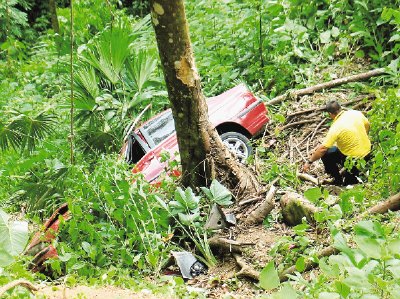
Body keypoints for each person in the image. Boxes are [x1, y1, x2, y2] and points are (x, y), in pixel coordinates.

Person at [302, 100, 371, 186]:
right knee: (330, 152)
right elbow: (367, 125)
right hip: (367, 152)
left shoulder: (336, 127)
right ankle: (344, 176)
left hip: (354, 160)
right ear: (340, 108)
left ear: (330, 114)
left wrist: (309, 162)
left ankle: (338, 180)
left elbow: (322, 149)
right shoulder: (356, 113)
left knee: (348, 184)